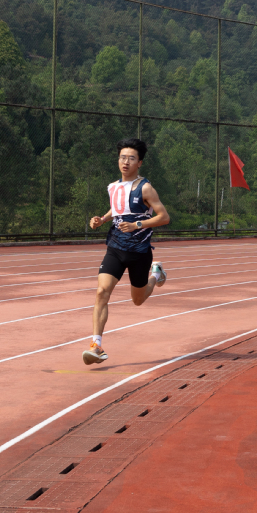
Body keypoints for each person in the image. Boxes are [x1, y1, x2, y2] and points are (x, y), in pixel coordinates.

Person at [84, 138, 170, 365]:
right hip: (115, 247)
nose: (126, 162)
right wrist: (102, 219)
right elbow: (117, 208)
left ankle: (156, 275)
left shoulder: (146, 188)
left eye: (131, 158)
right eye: (122, 157)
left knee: (137, 300)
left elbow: (164, 217)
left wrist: (137, 225)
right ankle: (96, 345)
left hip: (139, 251)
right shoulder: (113, 187)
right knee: (102, 292)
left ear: (139, 162)